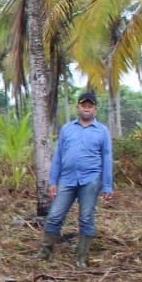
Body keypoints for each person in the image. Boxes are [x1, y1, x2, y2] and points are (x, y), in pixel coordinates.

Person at [37, 91, 113, 267]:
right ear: (78, 107)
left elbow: (107, 158)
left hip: (91, 180)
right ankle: (44, 253)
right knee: (55, 215)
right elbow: (58, 156)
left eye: (90, 106)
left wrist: (107, 186)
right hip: (67, 179)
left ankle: (81, 258)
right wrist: (53, 181)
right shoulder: (67, 129)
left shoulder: (102, 131)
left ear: (95, 109)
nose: (86, 108)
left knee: (86, 217)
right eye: (83, 105)